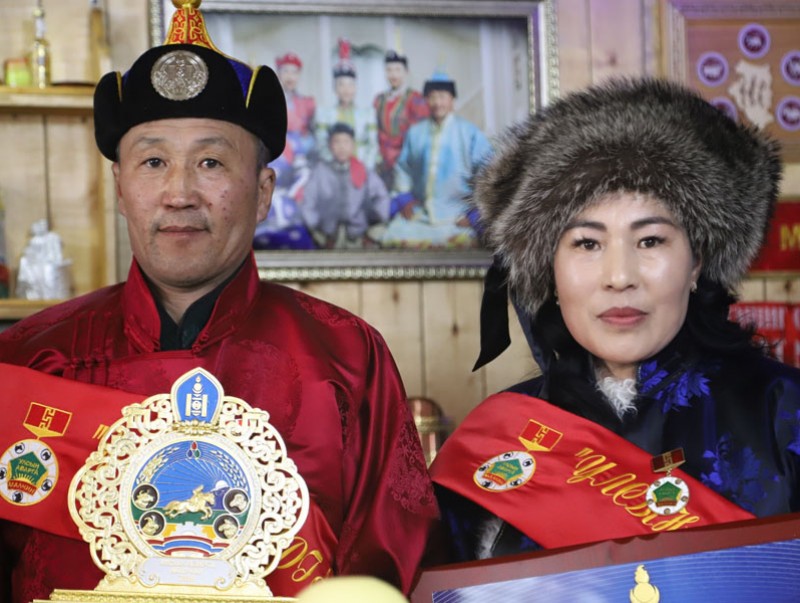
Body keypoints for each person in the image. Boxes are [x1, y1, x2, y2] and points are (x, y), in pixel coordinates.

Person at [0, 3, 439, 602]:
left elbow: (393, 569)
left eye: (210, 162)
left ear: (263, 192)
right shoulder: (29, 359)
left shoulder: (345, 356)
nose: (179, 192)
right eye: (154, 162)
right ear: (121, 189)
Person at [429, 77, 800, 562]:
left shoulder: (783, 412)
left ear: (696, 263)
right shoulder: (496, 439)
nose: (620, 277)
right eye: (587, 243)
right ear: (549, 271)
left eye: (650, 240)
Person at [380, 71, 492, 249]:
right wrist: (405, 198)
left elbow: (488, 173)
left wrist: (474, 213)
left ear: (452, 100)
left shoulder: (470, 133)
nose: (437, 103)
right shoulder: (415, 133)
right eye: (432, 97)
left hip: (457, 214)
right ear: (426, 100)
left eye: (442, 97)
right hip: (420, 212)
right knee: (390, 239)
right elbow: (403, 168)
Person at [301, 122, 389, 248]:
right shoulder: (320, 172)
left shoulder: (363, 171)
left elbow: (382, 199)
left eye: (346, 142)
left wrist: (372, 234)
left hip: (358, 239)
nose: (342, 147)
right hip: (327, 241)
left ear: (353, 145)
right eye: (337, 142)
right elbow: (308, 204)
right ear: (330, 145)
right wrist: (319, 236)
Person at [315, 38, 379, 170]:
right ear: (335, 88)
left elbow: (372, 145)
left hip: (362, 168)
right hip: (333, 170)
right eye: (341, 85)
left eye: (350, 85)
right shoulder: (324, 114)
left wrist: (364, 169)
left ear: (356, 88)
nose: (346, 90)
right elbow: (321, 146)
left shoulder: (368, 114)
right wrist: (336, 168)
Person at [373, 50, 429, 190]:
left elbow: (419, 135)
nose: (393, 75)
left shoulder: (416, 99)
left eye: (398, 70)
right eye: (389, 70)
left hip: (407, 163)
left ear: (406, 72)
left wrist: (395, 153)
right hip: (383, 163)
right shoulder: (379, 100)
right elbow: (374, 129)